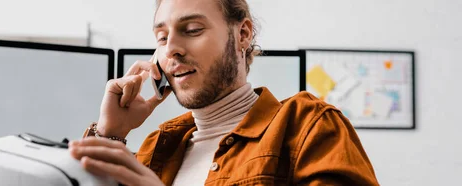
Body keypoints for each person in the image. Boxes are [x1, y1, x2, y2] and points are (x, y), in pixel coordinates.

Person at [69, 0, 379, 185]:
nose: (172, 49)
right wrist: (110, 134)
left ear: (242, 34)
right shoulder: (156, 147)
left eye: (192, 30)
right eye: (161, 37)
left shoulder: (308, 126)